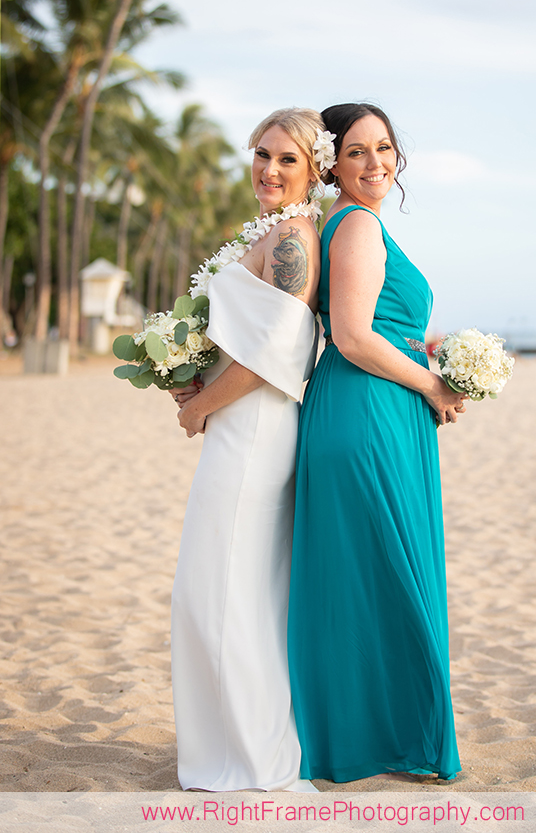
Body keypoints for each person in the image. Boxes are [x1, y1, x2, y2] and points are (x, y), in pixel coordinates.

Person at [288, 103, 465, 783]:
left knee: (364, 576)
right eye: (357, 151)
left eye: (384, 148)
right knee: (385, 576)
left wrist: (442, 360)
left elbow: (380, 326)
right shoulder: (356, 225)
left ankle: (357, 733)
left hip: (367, 407)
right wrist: (429, 385)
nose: (375, 163)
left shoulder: (352, 226)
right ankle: (386, 738)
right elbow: (355, 336)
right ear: (331, 163)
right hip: (367, 412)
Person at [170, 108, 329, 792]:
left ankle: (254, 760)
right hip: (239, 423)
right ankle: (231, 745)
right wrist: (187, 375)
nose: (269, 169)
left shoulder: (292, 239)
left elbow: (274, 356)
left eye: (287, 159)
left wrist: (202, 406)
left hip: (255, 428)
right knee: (225, 590)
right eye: (261, 154)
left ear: (313, 169)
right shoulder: (267, 232)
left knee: (223, 592)